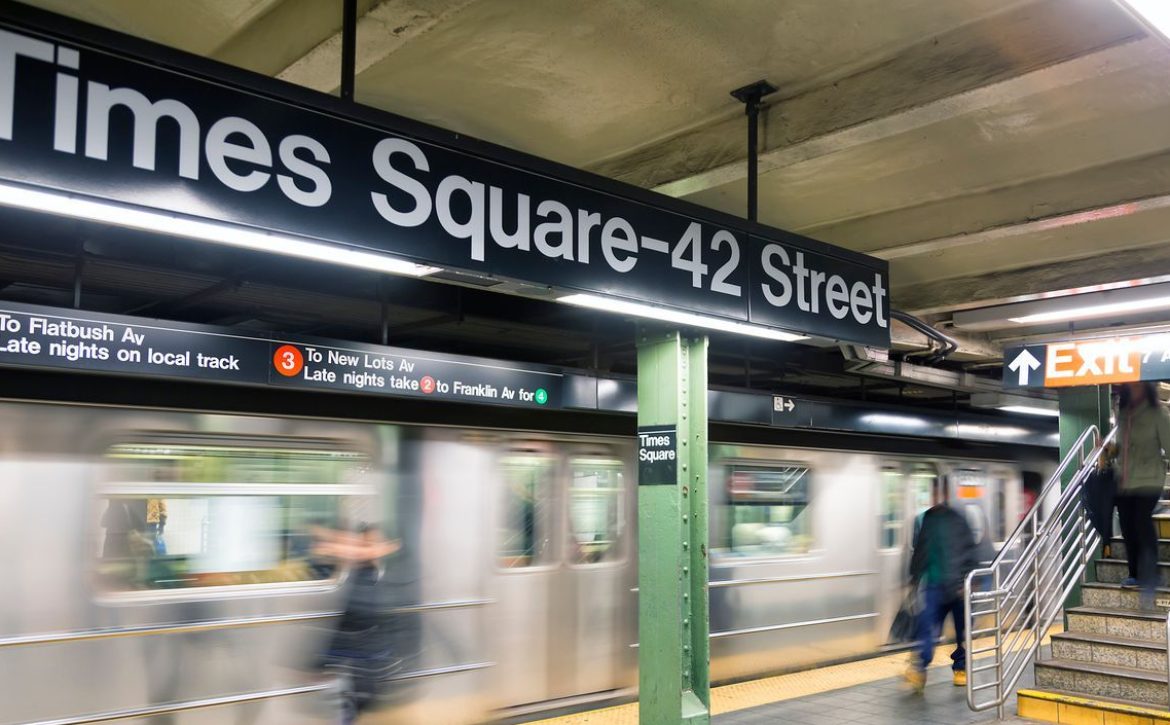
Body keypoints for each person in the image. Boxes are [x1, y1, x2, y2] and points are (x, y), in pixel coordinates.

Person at [905, 476, 977, 692]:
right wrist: (914, 579)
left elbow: (969, 551)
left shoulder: (958, 519)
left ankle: (961, 667)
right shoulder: (926, 519)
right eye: (933, 494)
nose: (935, 497)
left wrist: (968, 579)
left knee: (962, 632)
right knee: (927, 627)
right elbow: (920, 551)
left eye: (938, 493)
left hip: (957, 587)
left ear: (945, 494)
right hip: (934, 585)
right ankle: (920, 668)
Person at [1115, 381, 1170, 609]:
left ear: (1146, 387)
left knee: (1141, 520)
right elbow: (1120, 447)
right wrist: (1107, 452)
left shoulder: (1159, 412)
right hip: (1125, 481)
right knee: (1127, 526)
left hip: (1150, 478)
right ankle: (1134, 573)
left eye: (1137, 385)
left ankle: (1152, 574)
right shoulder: (1124, 413)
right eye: (1130, 386)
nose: (1133, 389)